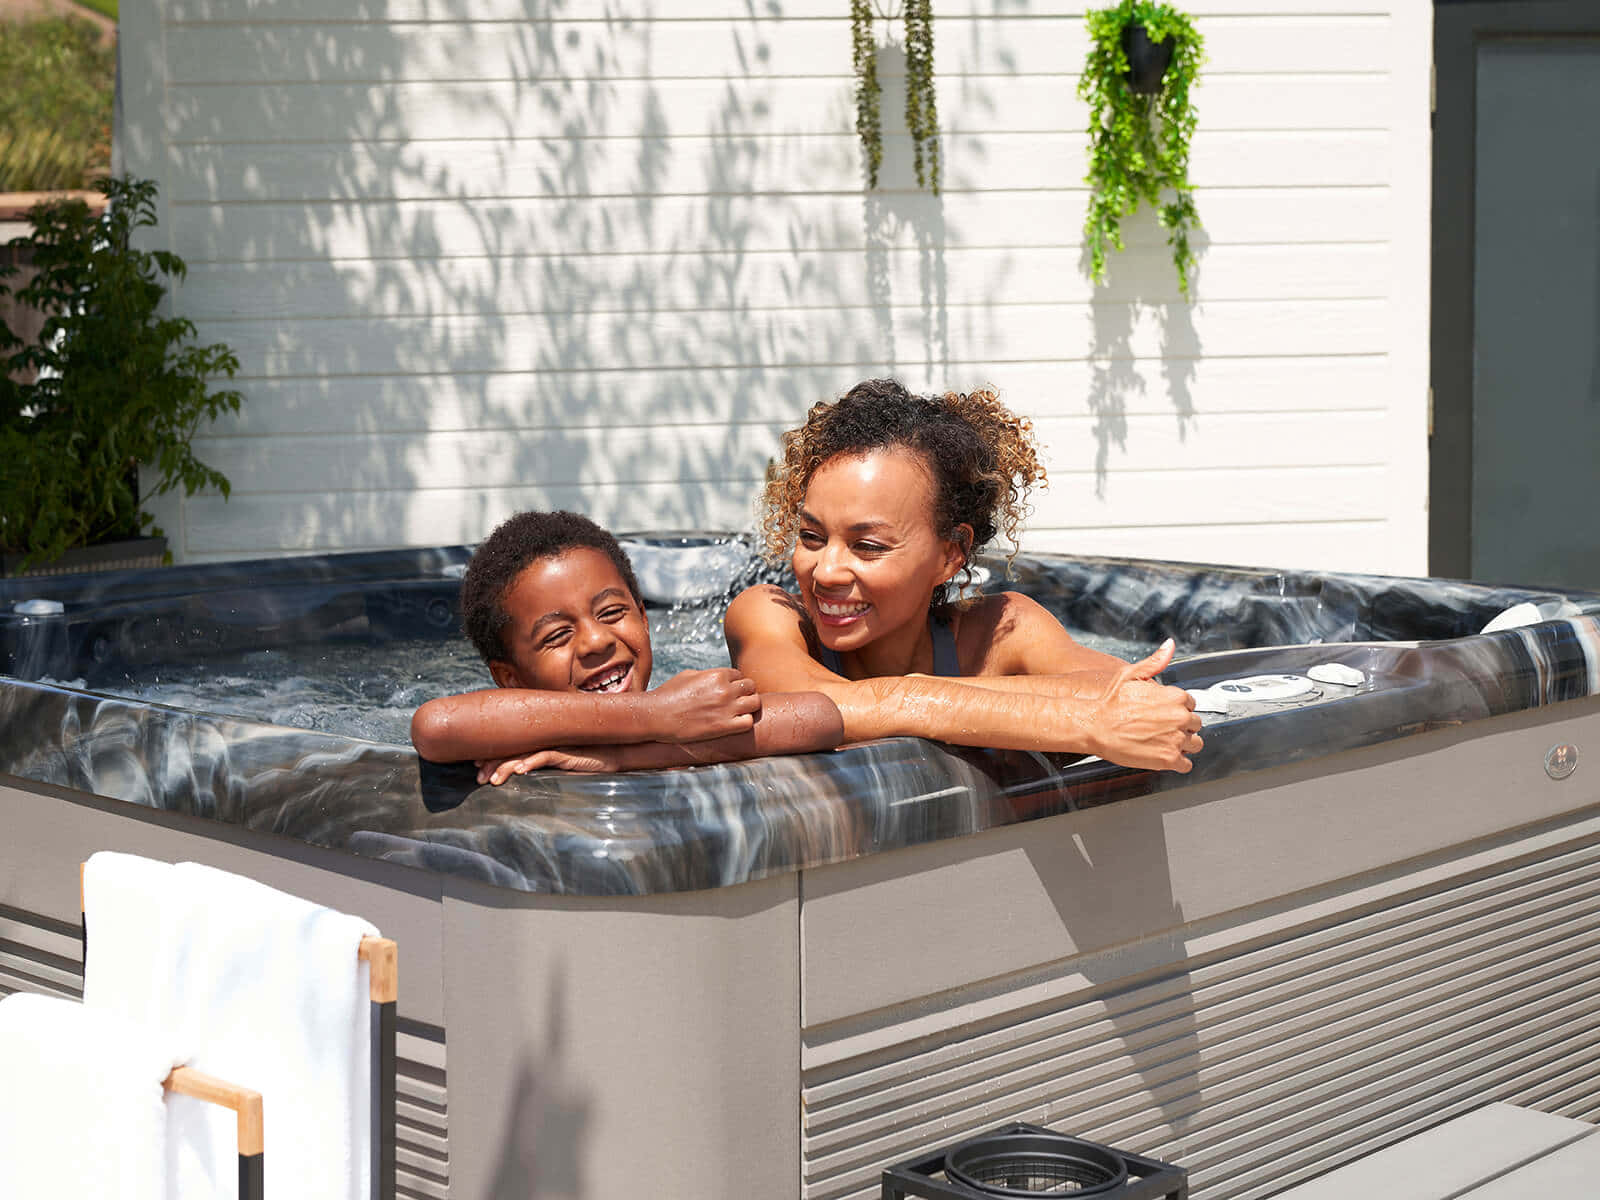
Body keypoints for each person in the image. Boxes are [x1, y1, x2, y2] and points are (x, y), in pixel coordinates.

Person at [723, 378, 1203, 772]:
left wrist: (920, 699)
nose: (825, 570)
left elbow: (1138, 701)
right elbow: (813, 706)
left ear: (949, 556)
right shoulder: (767, 615)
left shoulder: (1003, 630)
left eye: (867, 546)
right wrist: (1074, 720)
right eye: (811, 537)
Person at [411, 510, 842, 783]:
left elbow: (819, 716)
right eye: (558, 636)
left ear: (644, 618)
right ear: (509, 677)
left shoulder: (687, 709)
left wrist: (623, 755)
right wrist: (657, 715)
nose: (597, 640)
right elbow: (436, 727)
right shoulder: (672, 712)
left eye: (612, 612)